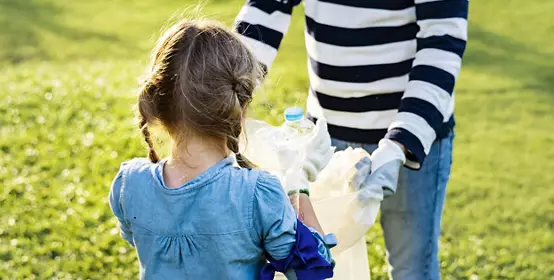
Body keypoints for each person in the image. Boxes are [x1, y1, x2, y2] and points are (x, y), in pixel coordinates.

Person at [234, 0, 468, 278]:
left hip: (413, 132)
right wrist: (228, 93)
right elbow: (266, 9)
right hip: (324, 138)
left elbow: (442, 41)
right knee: (325, 263)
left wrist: (399, 145)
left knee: (412, 269)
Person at [108, 20, 336, 280]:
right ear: (240, 104)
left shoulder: (129, 184)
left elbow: (137, 236)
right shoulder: (257, 195)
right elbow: (311, 272)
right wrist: (299, 183)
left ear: (160, 103)